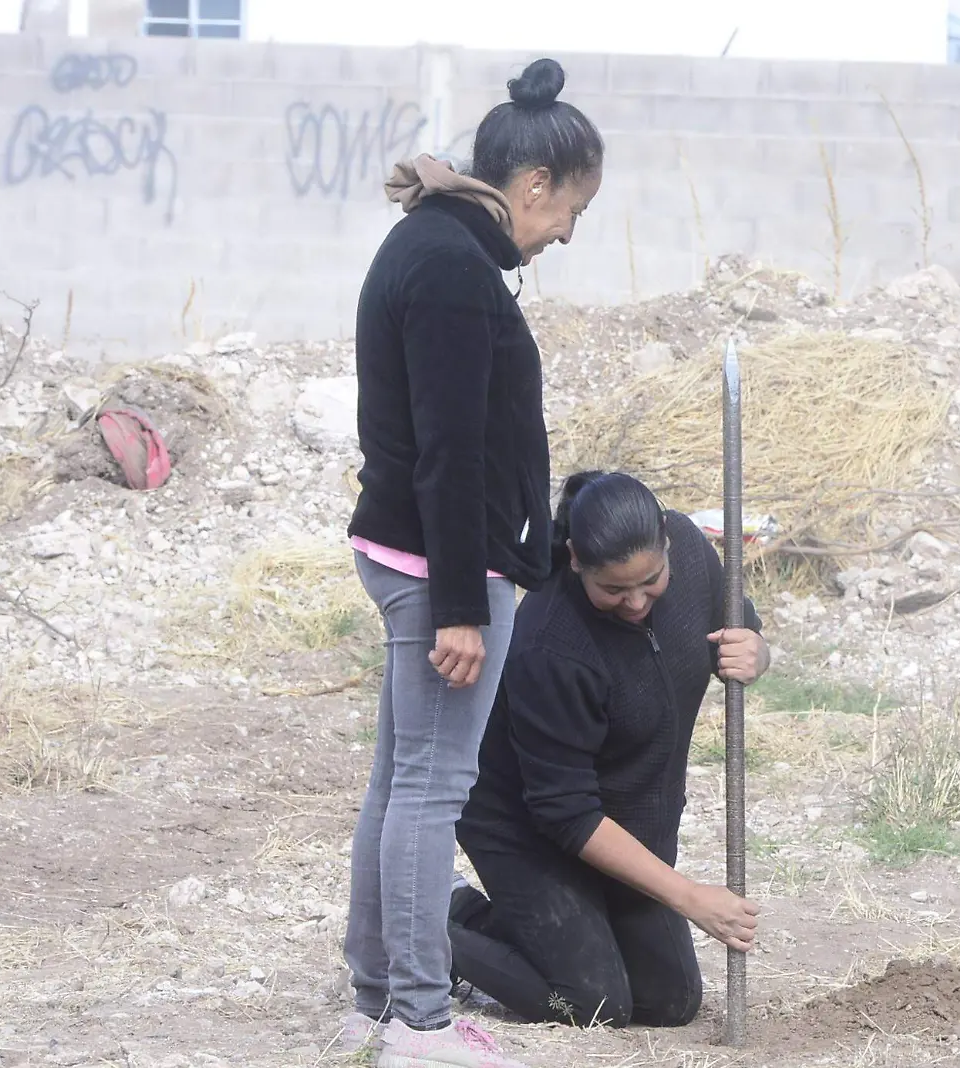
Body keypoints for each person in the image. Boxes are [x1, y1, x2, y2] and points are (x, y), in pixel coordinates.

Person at [337, 57, 604, 1067]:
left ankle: (376, 1000)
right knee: (429, 789)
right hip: (438, 566)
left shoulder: (438, 245)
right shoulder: (452, 270)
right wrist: (461, 604)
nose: (568, 231)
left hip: (412, 551)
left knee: (399, 783)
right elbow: (451, 449)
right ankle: (414, 1021)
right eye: (572, 208)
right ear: (532, 185)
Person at [446, 471, 770, 1029]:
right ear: (574, 560)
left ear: (667, 542)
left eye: (650, 581)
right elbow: (565, 812)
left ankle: (520, 928)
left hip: (623, 820)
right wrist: (690, 898)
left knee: (669, 1002)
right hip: (526, 826)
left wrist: (755, 650)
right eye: (614, 590)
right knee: (591, 1003)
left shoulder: (690, 550)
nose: (637, 602)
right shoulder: (551, 644)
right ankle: (422, 933)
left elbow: (736, 623)